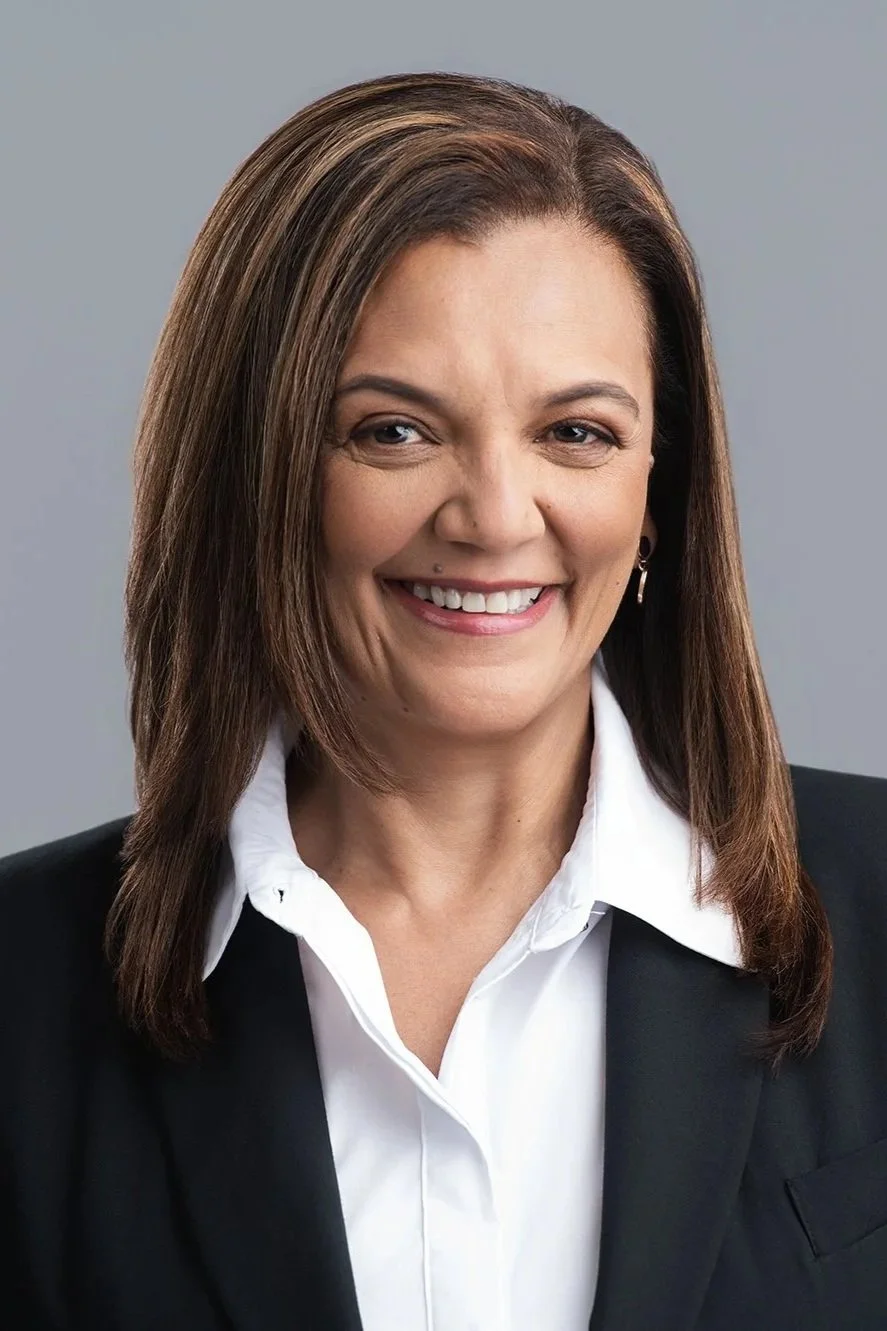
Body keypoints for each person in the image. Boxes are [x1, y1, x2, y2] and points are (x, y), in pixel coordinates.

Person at [1, 69, 885, 1331]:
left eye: (573, 433)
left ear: (655, 488)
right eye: (393, 432)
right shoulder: (22, 995)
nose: (491, 516)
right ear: (257, 469)